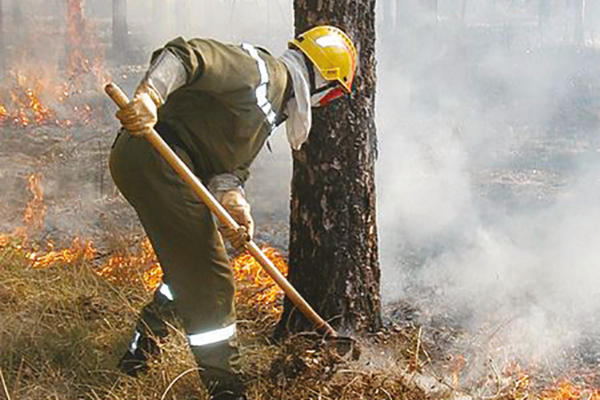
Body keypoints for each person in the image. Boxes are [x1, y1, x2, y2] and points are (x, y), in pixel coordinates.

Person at [109, 26, 357, 400]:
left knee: (191, 265)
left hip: (160, 165)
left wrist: (235, 205)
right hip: (156, 157)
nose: (328, 103)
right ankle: (226, 387)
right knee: (211, 277)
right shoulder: (259, 72)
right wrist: (149, 97)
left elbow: (226, 167)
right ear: (324, 83)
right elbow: (185, 56)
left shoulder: (270, 106)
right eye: (335, 95)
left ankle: (139, 354)